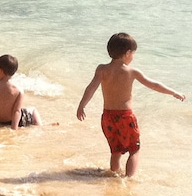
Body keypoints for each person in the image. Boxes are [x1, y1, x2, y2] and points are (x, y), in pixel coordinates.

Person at [76, 32, 184, 176]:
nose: (133, 57)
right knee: (134, 150)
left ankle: (114, 175)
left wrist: (82, 105)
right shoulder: (131, 72)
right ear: (128, 53)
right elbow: (154, 85)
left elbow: (91, 88)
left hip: (107, 117)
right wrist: (173, 92)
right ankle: (129, 179)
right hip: (125, 117)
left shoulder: (102, 69)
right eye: (133, 53)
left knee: (116, 151)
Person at [0, 53, 40, 130]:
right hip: (17, 122)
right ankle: (40, 126)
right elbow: (17, 111)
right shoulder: (18, 91)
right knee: (33, 110)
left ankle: (41, 126)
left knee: (30, 110)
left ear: (0, 70)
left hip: (1, 122)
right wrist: (13, 129)